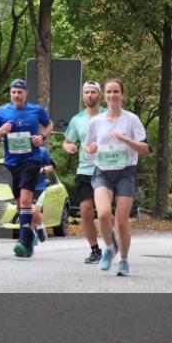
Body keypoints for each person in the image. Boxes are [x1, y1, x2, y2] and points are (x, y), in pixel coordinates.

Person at [84, 78, 152, 277]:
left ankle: (123, 260)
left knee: (121, 222)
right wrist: (90, 149)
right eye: (109, 92)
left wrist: (125, 139)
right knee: (103, 214)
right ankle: (109, 247)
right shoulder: (96, 122)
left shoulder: (131, 120)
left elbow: (147, 149)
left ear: (122, 95)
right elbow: (88, 147)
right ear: (104, 96)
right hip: (102, 172)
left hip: (125, 172)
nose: (112, 95)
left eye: (116, 92)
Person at [0, 79, 54, 258]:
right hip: (11, 163)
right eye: (13, 92)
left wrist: (42, 137)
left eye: (19, 92)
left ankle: (23, 241)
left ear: (26, 93)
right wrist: (0, 130)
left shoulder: (35, 110)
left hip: (31, 160)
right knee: (19, 204)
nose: (16, 95)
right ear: (10, 93)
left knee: (25, 200)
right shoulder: (2, 111)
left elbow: (49, 125)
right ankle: (31, 236)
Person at [62, 81, 106, 263]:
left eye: (93, 92)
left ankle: (112, 240)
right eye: (86, 92)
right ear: (83, 96)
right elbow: (66, 141)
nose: (89, 95)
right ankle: (95, 249)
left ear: (99, 95)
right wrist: (68, 146)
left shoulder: (109, 115)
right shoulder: (77, 119)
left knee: (104, 213)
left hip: (106, 169)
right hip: (85, 170)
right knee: (86, 212)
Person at [31, 147, 55, 244]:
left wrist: (43, 169)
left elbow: (50, 166)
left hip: (39, 186)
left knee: (34, 210)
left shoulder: (42, 151)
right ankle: (32, 236)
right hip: (26, 185)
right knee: (27, 212)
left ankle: (40, 226)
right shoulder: (21, 151)